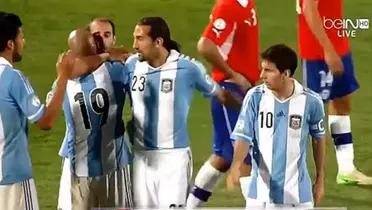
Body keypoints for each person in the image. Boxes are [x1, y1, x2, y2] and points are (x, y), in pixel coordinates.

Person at [126, 16, 241, 208]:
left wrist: (249, 106)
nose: (135, 44)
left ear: (158, 42)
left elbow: (220, 94)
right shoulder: (131, 66)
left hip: (174, 159)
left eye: (140, 39)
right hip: (141, 158)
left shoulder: (188, 68)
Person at [227, 44, 326, 208]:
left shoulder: (311, 102)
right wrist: (236, 164)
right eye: (262, 69)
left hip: (298, 197)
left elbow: (318, 140)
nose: (261, 75)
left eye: (268, 70)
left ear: (285, 74)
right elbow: (243, 136)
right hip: (260, 196)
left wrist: (320, 180)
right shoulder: (255, 97)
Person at [187, 0, 260, 207]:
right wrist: (233, 75)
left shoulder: (247, 3)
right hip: (230, 90)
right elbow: (206, 45)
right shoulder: (228, 5)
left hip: (243, 89)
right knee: (247, 154)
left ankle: (188, 206)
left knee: (222, 157)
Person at [52, 28, 133, 210]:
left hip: (78, 166)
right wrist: (108, 55)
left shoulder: (64, 79)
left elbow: (48, 111)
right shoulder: (116, 71)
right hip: (114, 163)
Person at [0, 11, 71, 210]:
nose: (24, 41)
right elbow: (45, 121)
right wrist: (63, 77)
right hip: (12, 178)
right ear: (10, 44)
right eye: (20, 36)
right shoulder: (12, 77)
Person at [297, 0, 372, 185]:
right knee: (307, 114)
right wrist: (328, 50)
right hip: (319, 52)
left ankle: (346, 169)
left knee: (342, 104)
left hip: (338, 46)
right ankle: (286, 172)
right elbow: (309, 9)